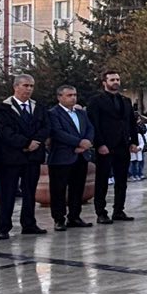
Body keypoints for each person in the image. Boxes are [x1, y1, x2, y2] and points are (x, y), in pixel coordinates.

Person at [0, 76, 48, 237]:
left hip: (33, 158)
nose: (29, 89)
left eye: (31, 86)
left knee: (30, 192)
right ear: (16, 87)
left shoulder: (38, 106)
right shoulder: (3, 108)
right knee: (7, 193)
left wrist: (36, 141)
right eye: (25, 85)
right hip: (11, 158)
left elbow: (45, 126)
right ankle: (3, 227)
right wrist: (25, 143)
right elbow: (5, 131)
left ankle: (29, 223)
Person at [87, 71, 140, 221]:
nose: (116, 82)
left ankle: (119, 210)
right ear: (105, 82)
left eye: (117, 79)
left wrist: (134, 141)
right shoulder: (96, 101)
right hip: (105, 146)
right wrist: (99, 144)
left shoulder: (125, 100)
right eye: (112, 80)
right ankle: (101, 212)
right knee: (102, 180)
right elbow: (94, 124)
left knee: (122, 180)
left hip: (123, 145)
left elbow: (131, 122)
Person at [45, 85, 95, 228]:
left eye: (74, 95)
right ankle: (59, 219)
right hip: (62, 157)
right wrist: (78, 142)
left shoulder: (81, 113)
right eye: (69, 95)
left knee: (77, 188)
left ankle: (74, 216)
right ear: (60, 97)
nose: (73, 97)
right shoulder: (53, 113)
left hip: (81, 157)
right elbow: (57, 132)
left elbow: (90, 128)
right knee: (59, 189)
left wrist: (87, 142)